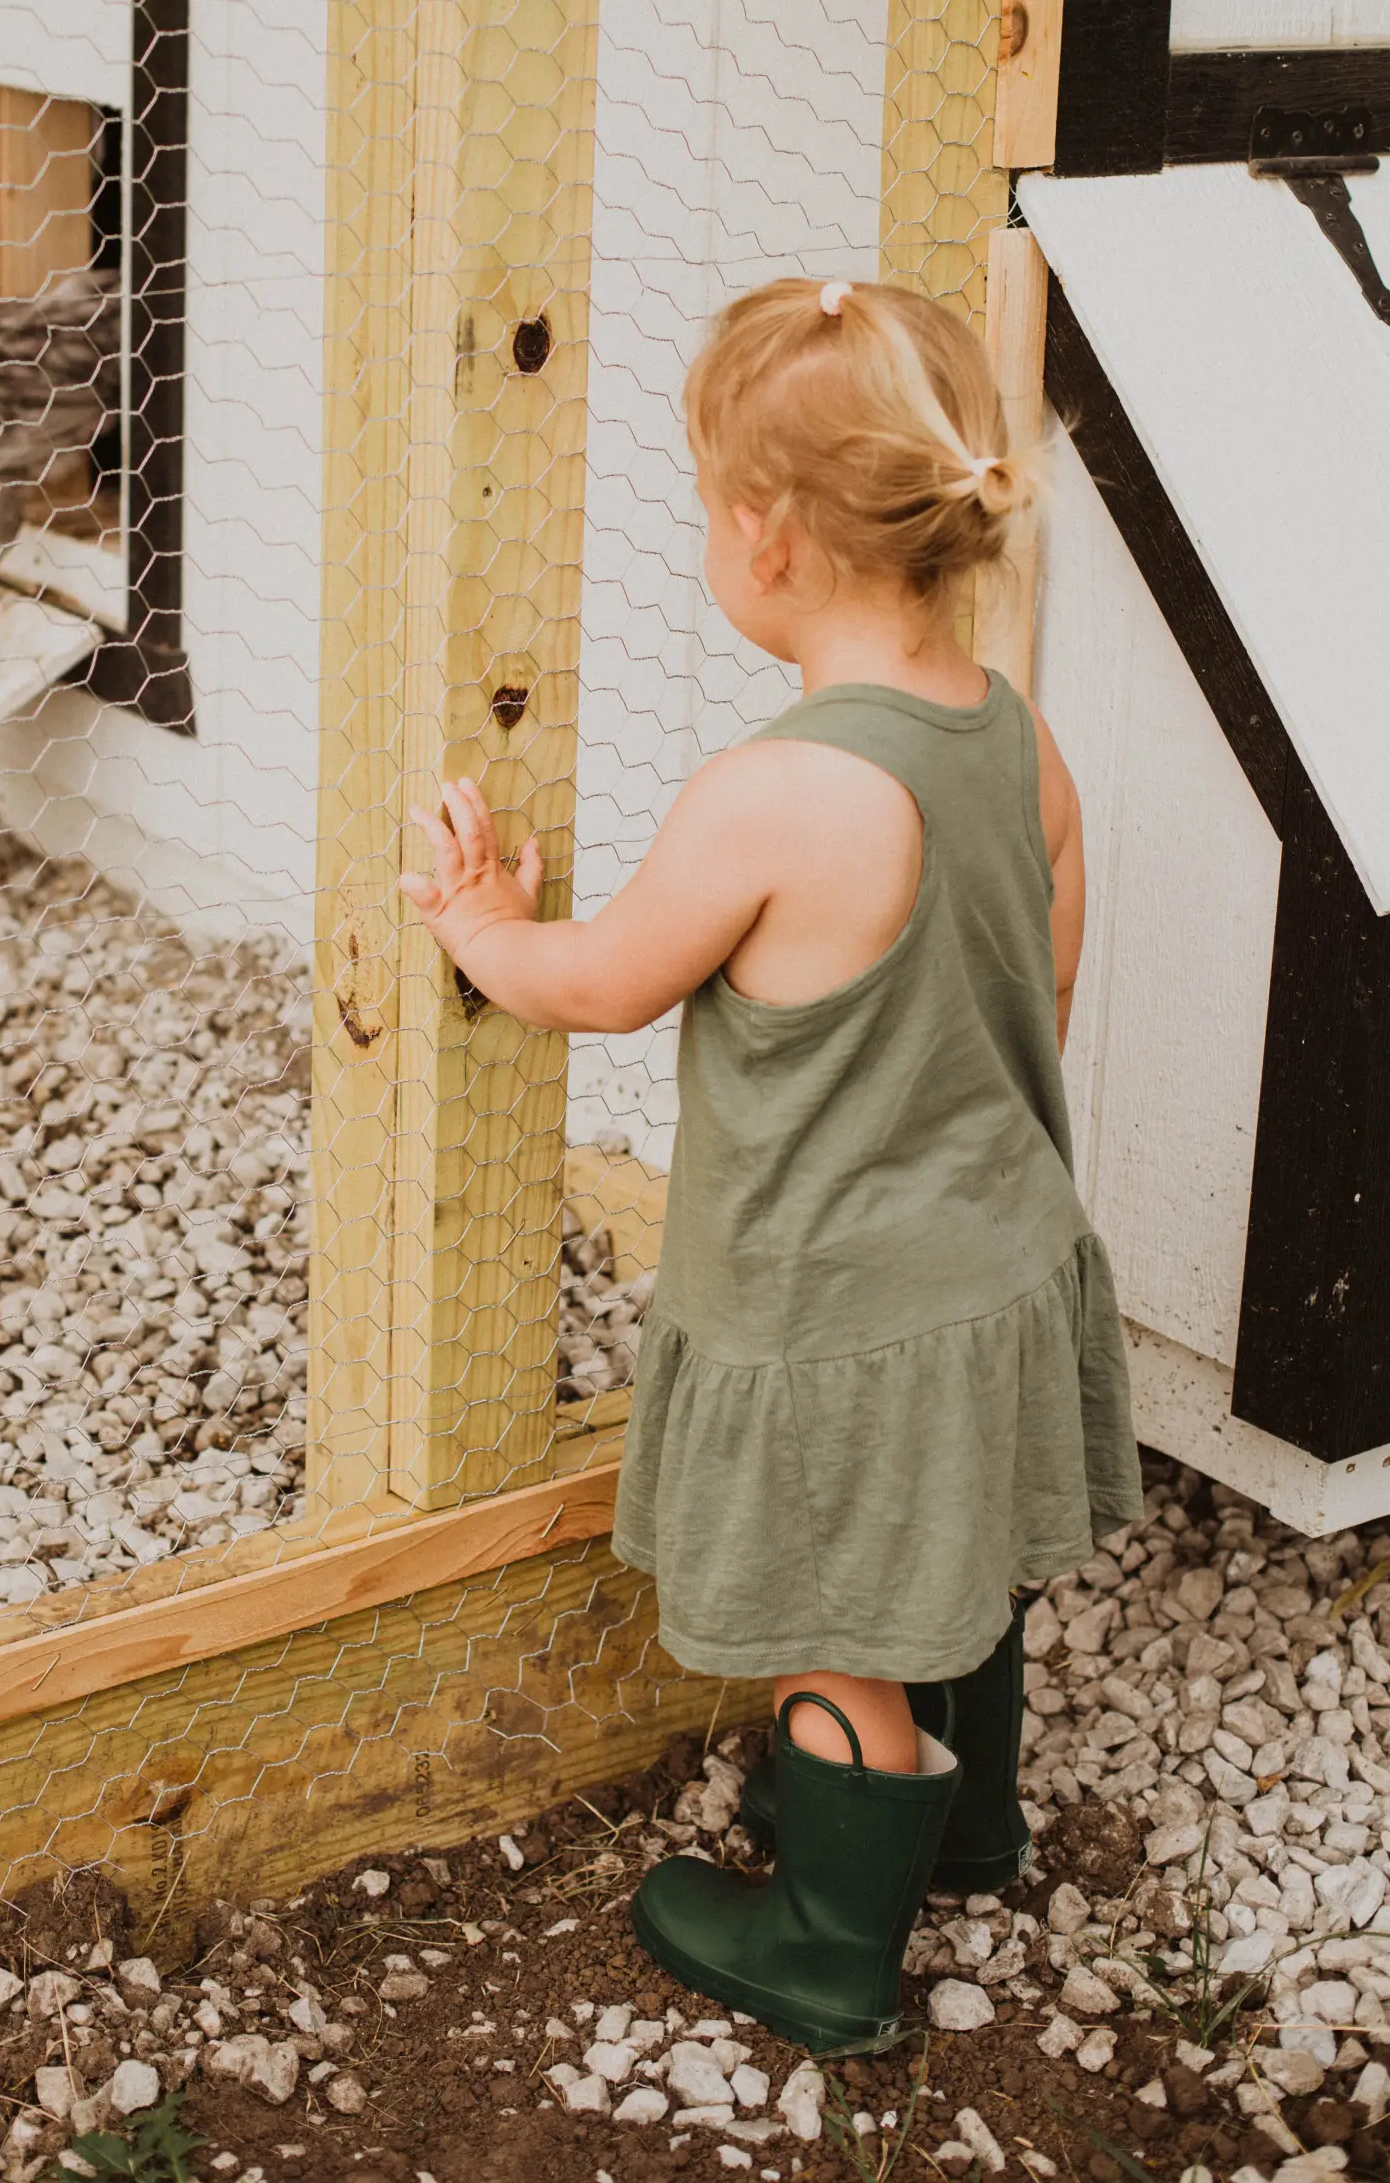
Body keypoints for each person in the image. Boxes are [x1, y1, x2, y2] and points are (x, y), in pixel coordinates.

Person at [399, 273, 1142, 2056]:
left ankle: (825, 1942)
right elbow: (1036, 985)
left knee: (837, 1613)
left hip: (838, 1315)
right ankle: (963, 1830)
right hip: (1004, 1262)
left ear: (768, 535)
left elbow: (604, 981)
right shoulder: (1015, 741)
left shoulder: (777, 793)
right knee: (952, 1559)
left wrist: (485, 923)